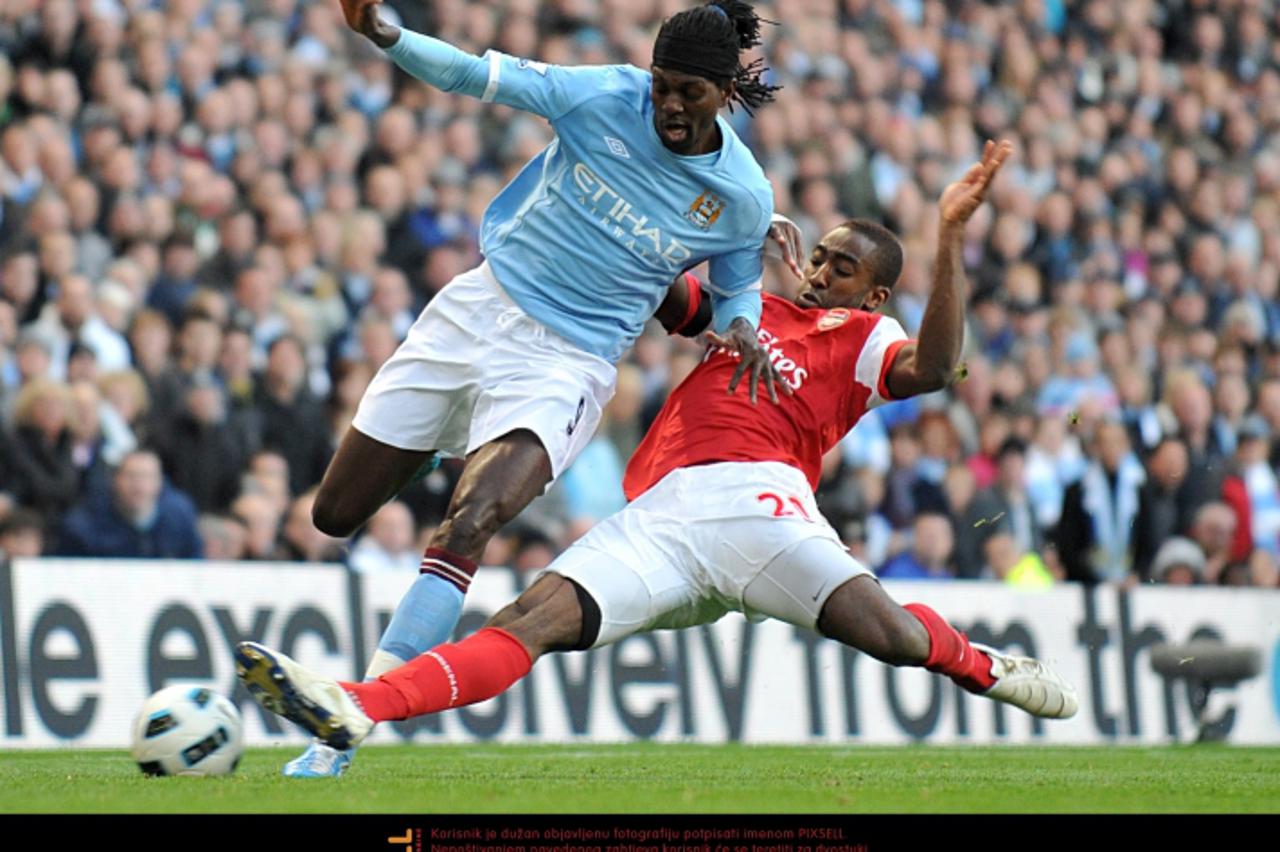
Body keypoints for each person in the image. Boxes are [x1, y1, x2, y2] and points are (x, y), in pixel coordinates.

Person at [235, 140, 1078, 756]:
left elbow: (935, 367)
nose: (820, 273)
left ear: (876, 293)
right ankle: (354, 706)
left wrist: (952, 236)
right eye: (819, 257)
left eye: (843, 269)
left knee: (892, 637)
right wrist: (740, 234)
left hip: (760, 505)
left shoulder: (858, 338)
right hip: (663, 516)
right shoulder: (744, 316)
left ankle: (980, 665)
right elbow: (651, 275)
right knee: (526, 619)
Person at [275, 0, 790, 777]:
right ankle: (435, 448)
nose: (669, 107)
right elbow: (477, 76)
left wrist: (745, 326)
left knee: (472, 518)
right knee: (335, 514)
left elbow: (738, 289)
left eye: (688, 92)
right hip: (477, 313)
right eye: (661, 86)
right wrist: (387, 33)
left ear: (725, 92)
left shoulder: (742, 196)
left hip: (567, 364)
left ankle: (349, 722)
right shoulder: (602, 96)